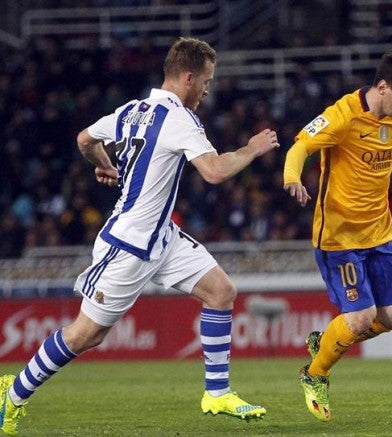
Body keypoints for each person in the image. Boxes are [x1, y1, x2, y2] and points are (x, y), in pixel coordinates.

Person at [0, 37, 279, 435]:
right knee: (86, 335)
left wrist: (106, 166)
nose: (207, 90)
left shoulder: (131, 110)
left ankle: (217, 393)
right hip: (128, 245)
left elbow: (85, 139)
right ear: (188, 78)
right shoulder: (180, 118)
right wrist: (251, 149)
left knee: (221, 292)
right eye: (206, 81)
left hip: (161, 236)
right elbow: (215, 171)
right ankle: (12, 395)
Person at [283, 50, 392, 421]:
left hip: (379, 233)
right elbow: (300, 146)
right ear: (383, 86)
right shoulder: (342, 115)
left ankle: (326, 341)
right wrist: (292, 177)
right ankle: (315, 374)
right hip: (339, 238)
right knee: (360, 317)